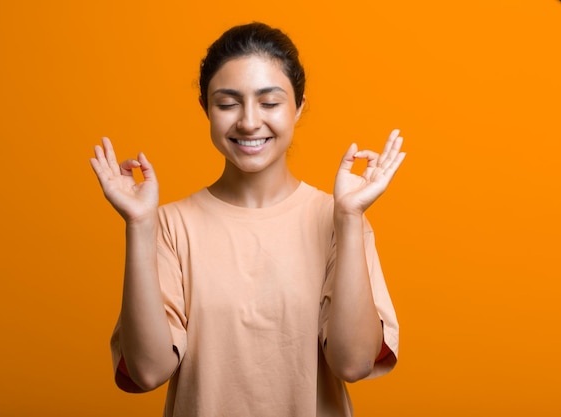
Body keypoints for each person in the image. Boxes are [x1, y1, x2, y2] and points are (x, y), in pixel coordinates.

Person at [90, 22, 406, 417]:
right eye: (228, 103)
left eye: (270, 103)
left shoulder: (339, 219)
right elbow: (149, 370)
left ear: (299, 107)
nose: (249, 121)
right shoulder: (169, 226)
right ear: (205, 108)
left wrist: (349, 216)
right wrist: (138, 224)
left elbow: (353, 363)